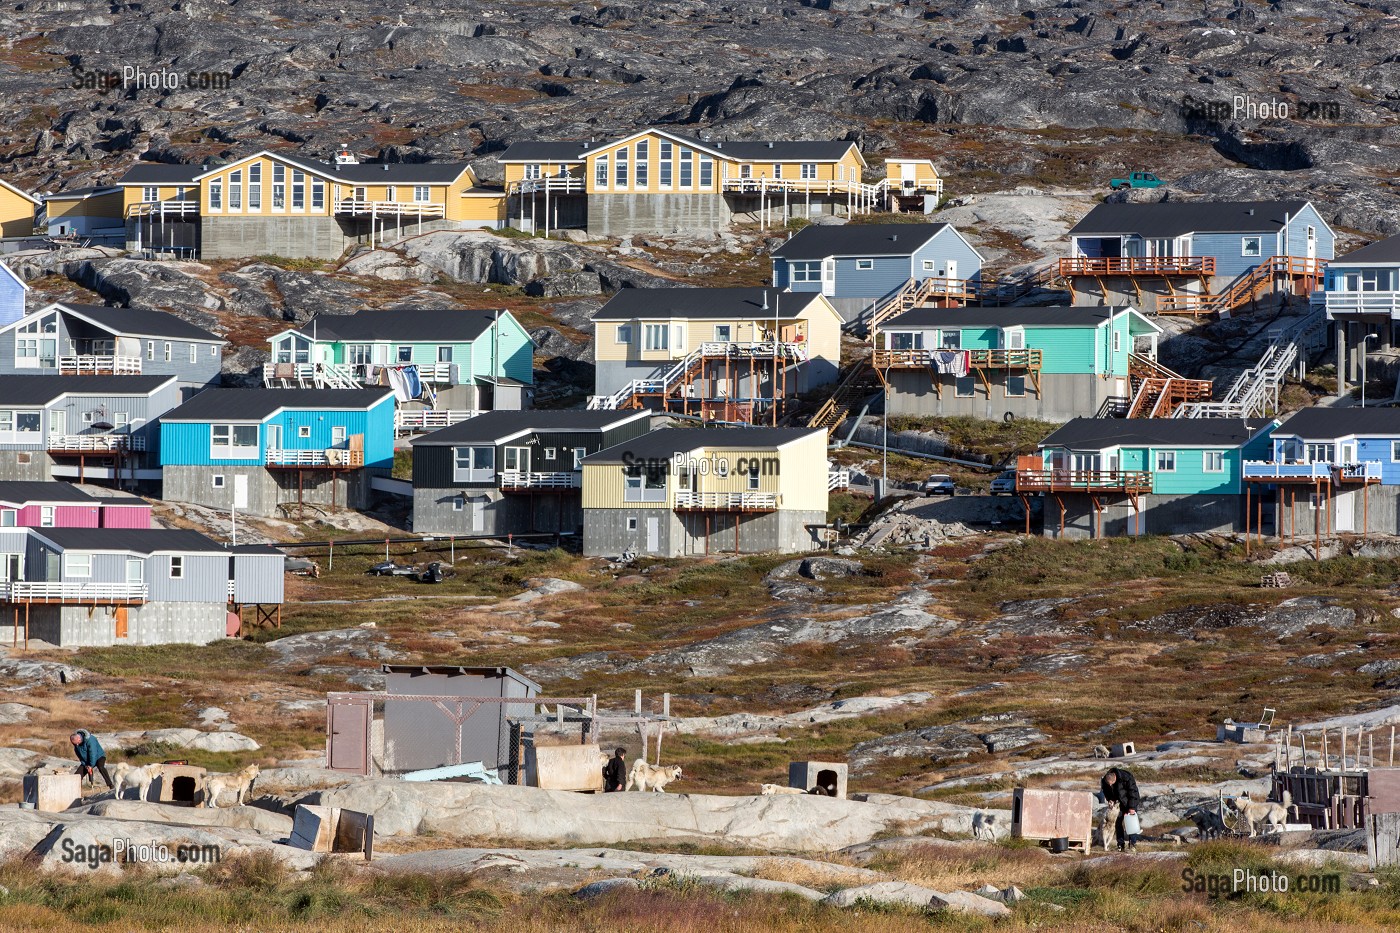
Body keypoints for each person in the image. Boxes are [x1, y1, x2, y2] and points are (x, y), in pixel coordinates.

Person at [1101, 766, 1141, 851]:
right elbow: (1106, 791)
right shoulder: (1105, 781)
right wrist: (1110, 799)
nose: (1110, 785)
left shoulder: (1126, 777)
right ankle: (1120, 845)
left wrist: (1132, 807)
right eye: (1109, 784)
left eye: (1112, 783)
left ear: (1115, 777)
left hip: (1130, 801)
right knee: (1118, 823)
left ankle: (1132, 845)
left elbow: (1133, 792)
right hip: (1119, 804)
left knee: (1131, 823)